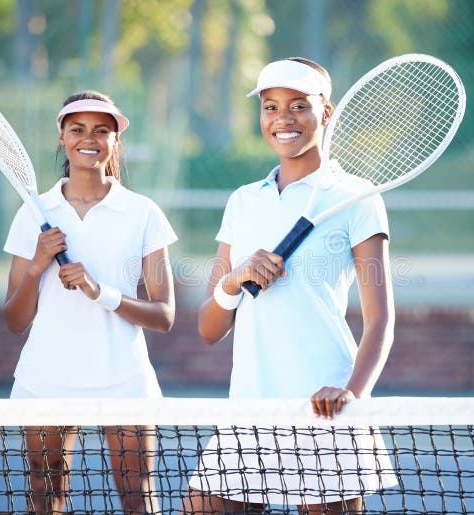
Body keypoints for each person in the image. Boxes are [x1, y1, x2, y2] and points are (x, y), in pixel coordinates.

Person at [181, 58, 397, 514]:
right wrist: (234, 279)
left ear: (326, 112)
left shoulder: (356, 198)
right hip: (248, 411)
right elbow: (208, 328)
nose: (283, 118)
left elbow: (380, 320)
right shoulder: (243, 201)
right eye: (271, 106)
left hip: (326, 409)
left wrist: (351, 394)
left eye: (299, 105)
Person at [3, 90, 177, 514]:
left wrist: (103, 294)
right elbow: (15, 320)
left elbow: (165, 315)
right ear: (62, 137)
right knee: (46, 495)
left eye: (102, 130)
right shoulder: (34, 212)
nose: (90, 138)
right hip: (44, 379)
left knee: (138, 498)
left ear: (116, 140)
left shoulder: (143, 212)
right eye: (77, 129)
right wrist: (38, 264)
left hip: (125, 379)